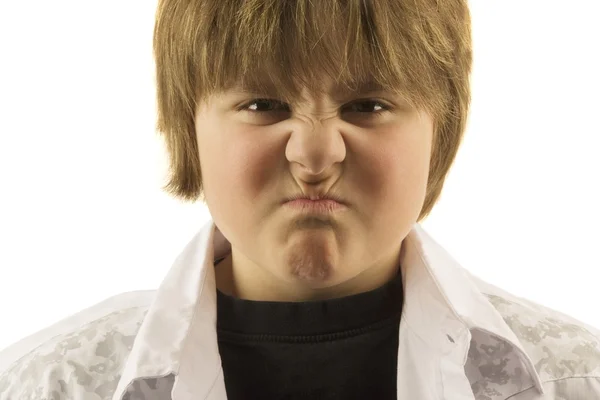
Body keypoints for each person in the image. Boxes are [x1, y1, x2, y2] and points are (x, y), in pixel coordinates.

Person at [1, 0, 599, 399]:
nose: (315, 155)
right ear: (189, 128)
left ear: (442, 130)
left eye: (368, 106)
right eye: (264, 105)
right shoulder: (50, 384)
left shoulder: (576, 379)